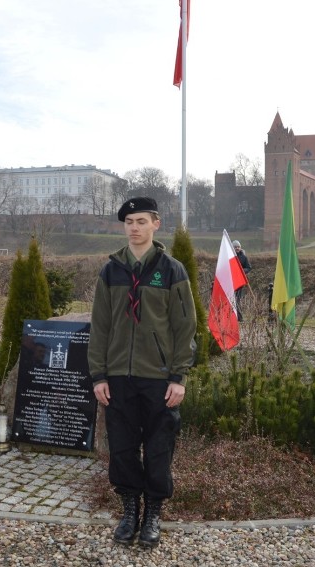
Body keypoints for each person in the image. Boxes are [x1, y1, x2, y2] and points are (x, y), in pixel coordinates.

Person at [88, 197, 197, 548]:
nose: (134, 228)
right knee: (121, 449)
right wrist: (99, 376)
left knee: (158, 449)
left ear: (155, 224)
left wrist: (178, 377)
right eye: (129, 222)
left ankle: (153, 513)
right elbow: (100, 327)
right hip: (118, 377)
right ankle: (130, 510)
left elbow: (185, 328)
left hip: (158, 378)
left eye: (140, 221)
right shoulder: (111, 271)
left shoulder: (172, 270)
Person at [231, 240, 251, 321]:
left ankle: (239, 318)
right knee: (230, 300)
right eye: (235, 247)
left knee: (237, 300)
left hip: (239, 282)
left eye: (238, 247)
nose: (237, 248)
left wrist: (242, 271)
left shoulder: (244, 257)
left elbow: (249, 267)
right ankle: (231, 317)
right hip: (230, 281)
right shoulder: (230, 257)